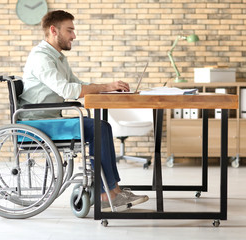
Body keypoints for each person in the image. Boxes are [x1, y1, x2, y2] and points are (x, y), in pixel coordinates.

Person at [18, 10, 148, 212]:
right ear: (54, 30)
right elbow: (68, 90)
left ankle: (113, 190)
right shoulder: (41, 57)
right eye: (69, 30)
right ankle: (107, 193)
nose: (74, 36)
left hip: (49, 118)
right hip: (36, 122)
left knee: (102, 126)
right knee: (99, 128)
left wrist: (108, 86)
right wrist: (105, 87)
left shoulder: (58, 58)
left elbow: (77, 84)